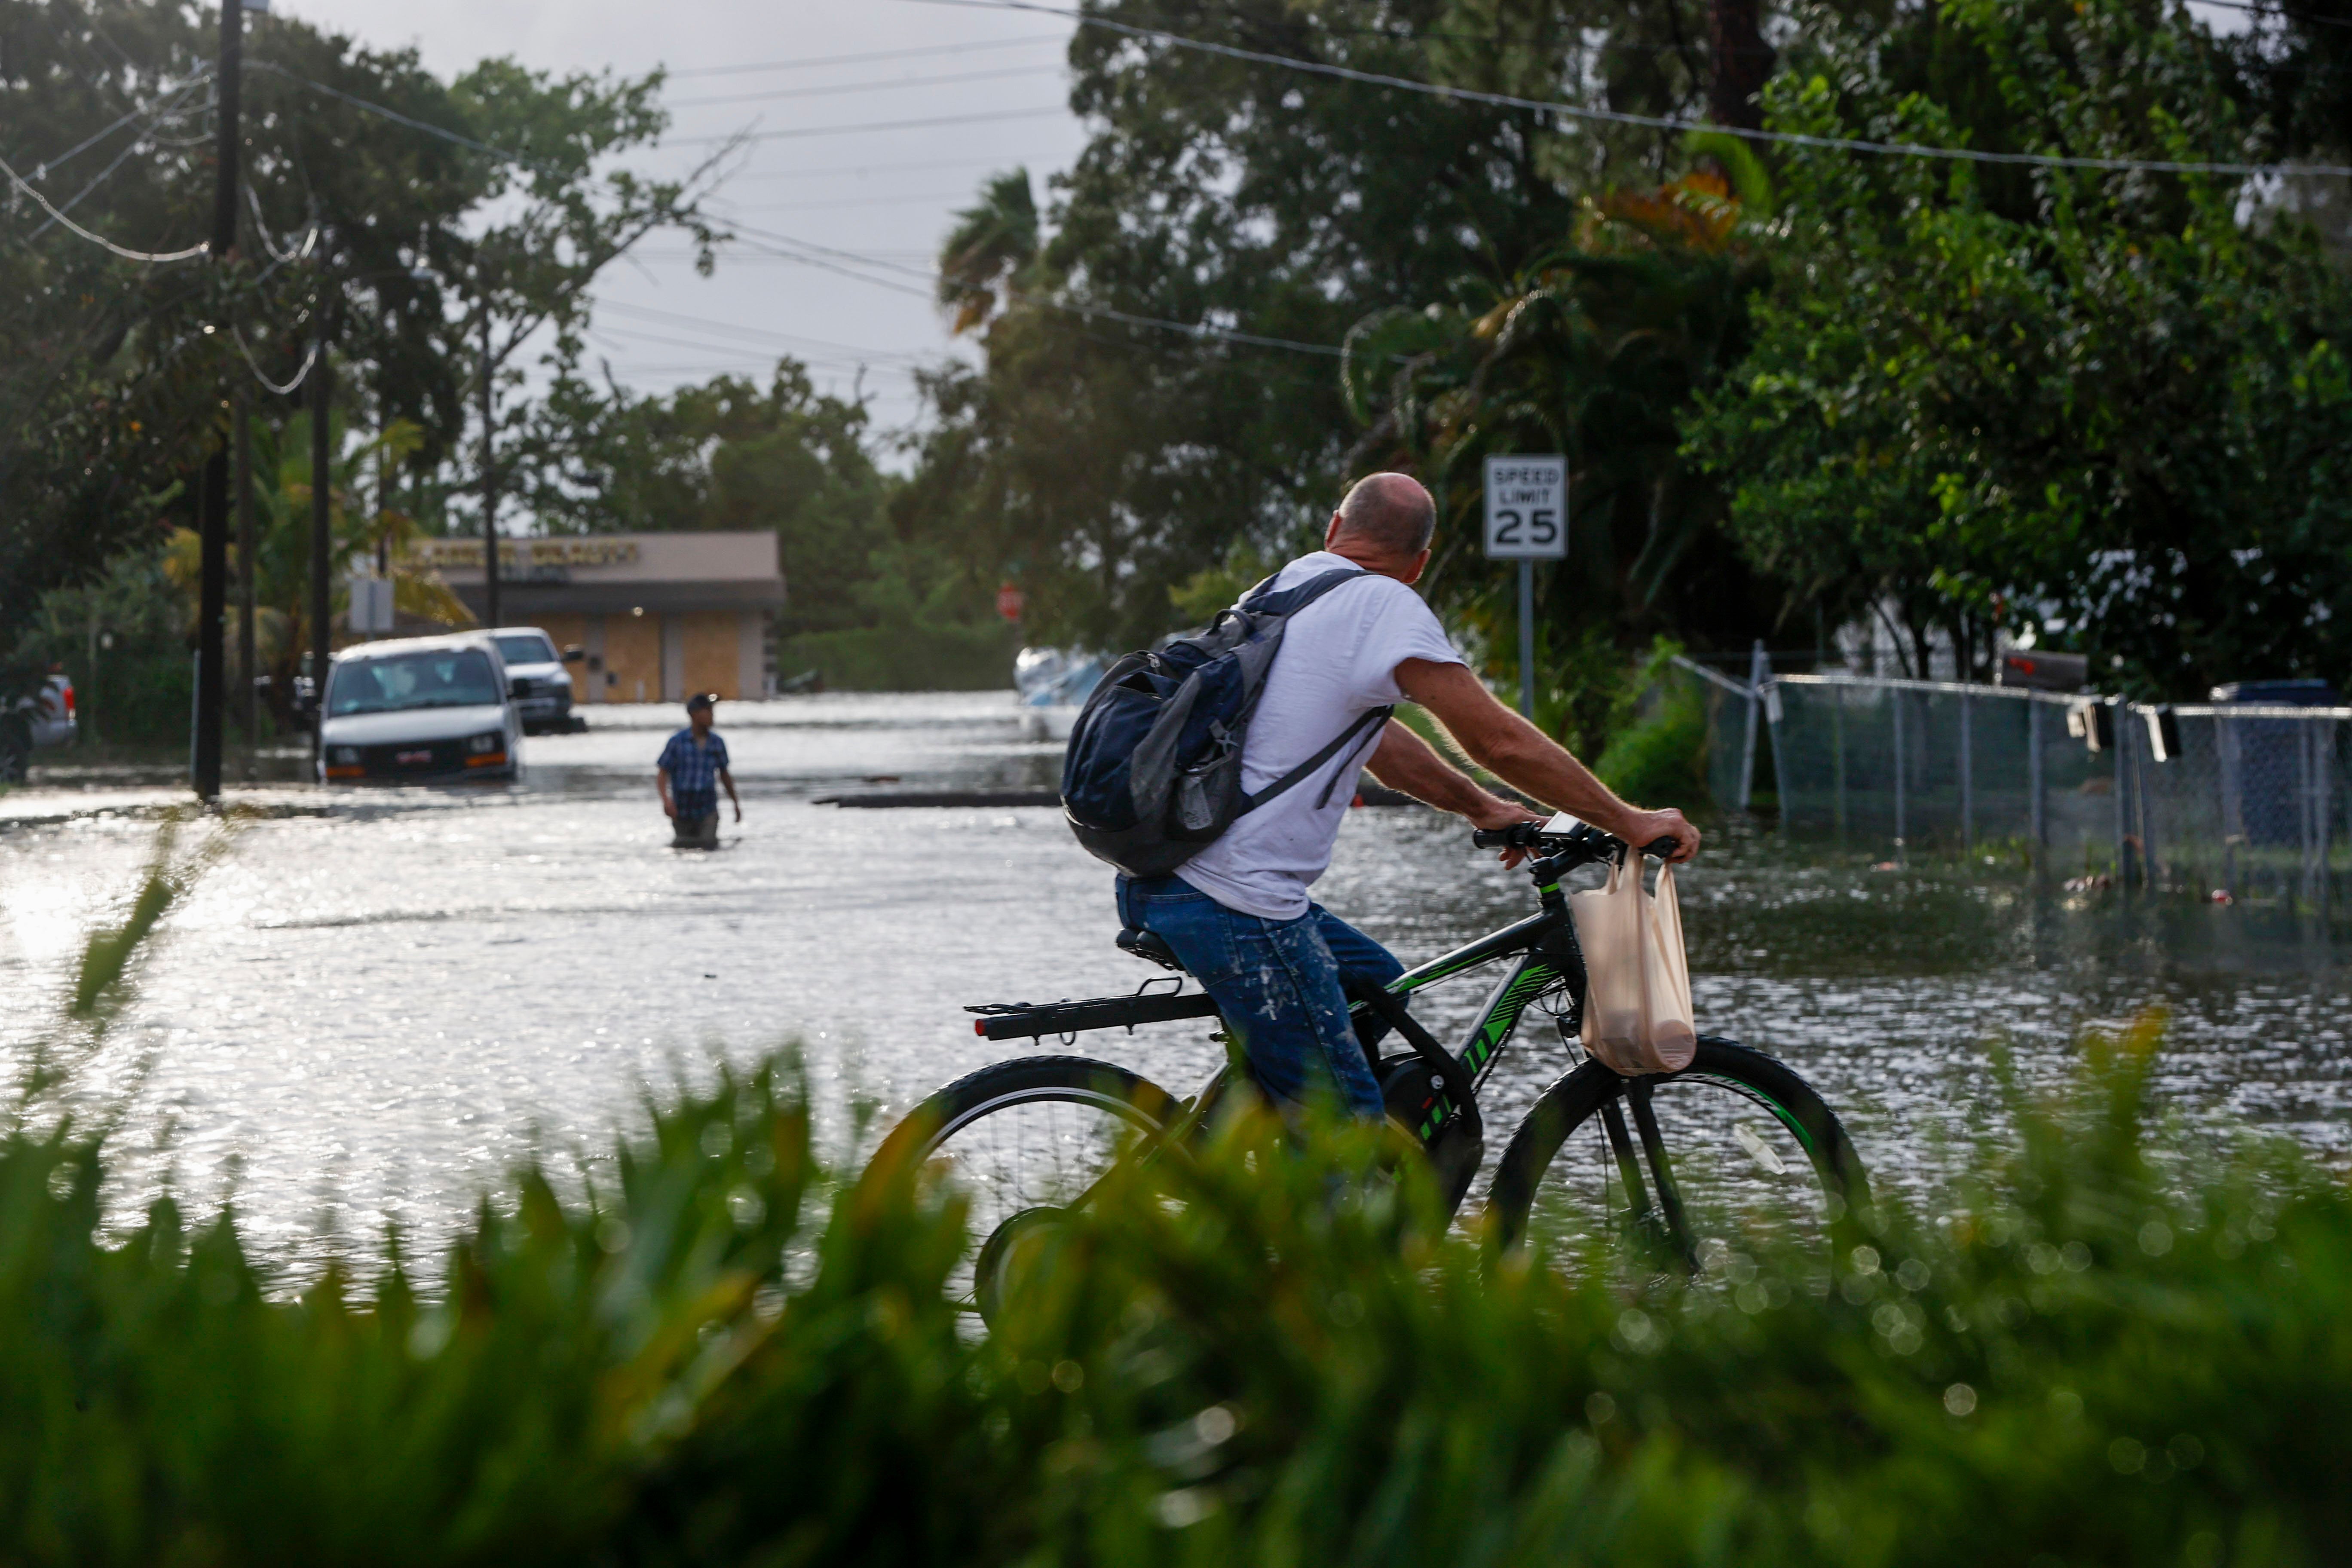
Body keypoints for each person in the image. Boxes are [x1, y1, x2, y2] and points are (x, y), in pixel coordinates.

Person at [1115, 472, 1700, 1122]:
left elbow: (1383, 746)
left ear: (1335, 530)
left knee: (1378, 985)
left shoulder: (1281, 589)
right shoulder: (1384, 607)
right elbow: (1497, 740)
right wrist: (1629, 820)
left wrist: (1482, 808)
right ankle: (1331, 1183)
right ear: (1419, 565)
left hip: (1166, 874)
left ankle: (1251, 1157)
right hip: (1236, 902)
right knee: (1352, 1137)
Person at [657, 692, 740, 848]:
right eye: (708, 711)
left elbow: (725, 775)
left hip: (707, 809)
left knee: (709, 846)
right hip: (682, 810)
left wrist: (735, 803)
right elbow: (662, 773)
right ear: (694, 715)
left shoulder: (717, 743)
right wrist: (666, 801)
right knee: (683, 848)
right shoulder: (677, 742)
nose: (712, 715)